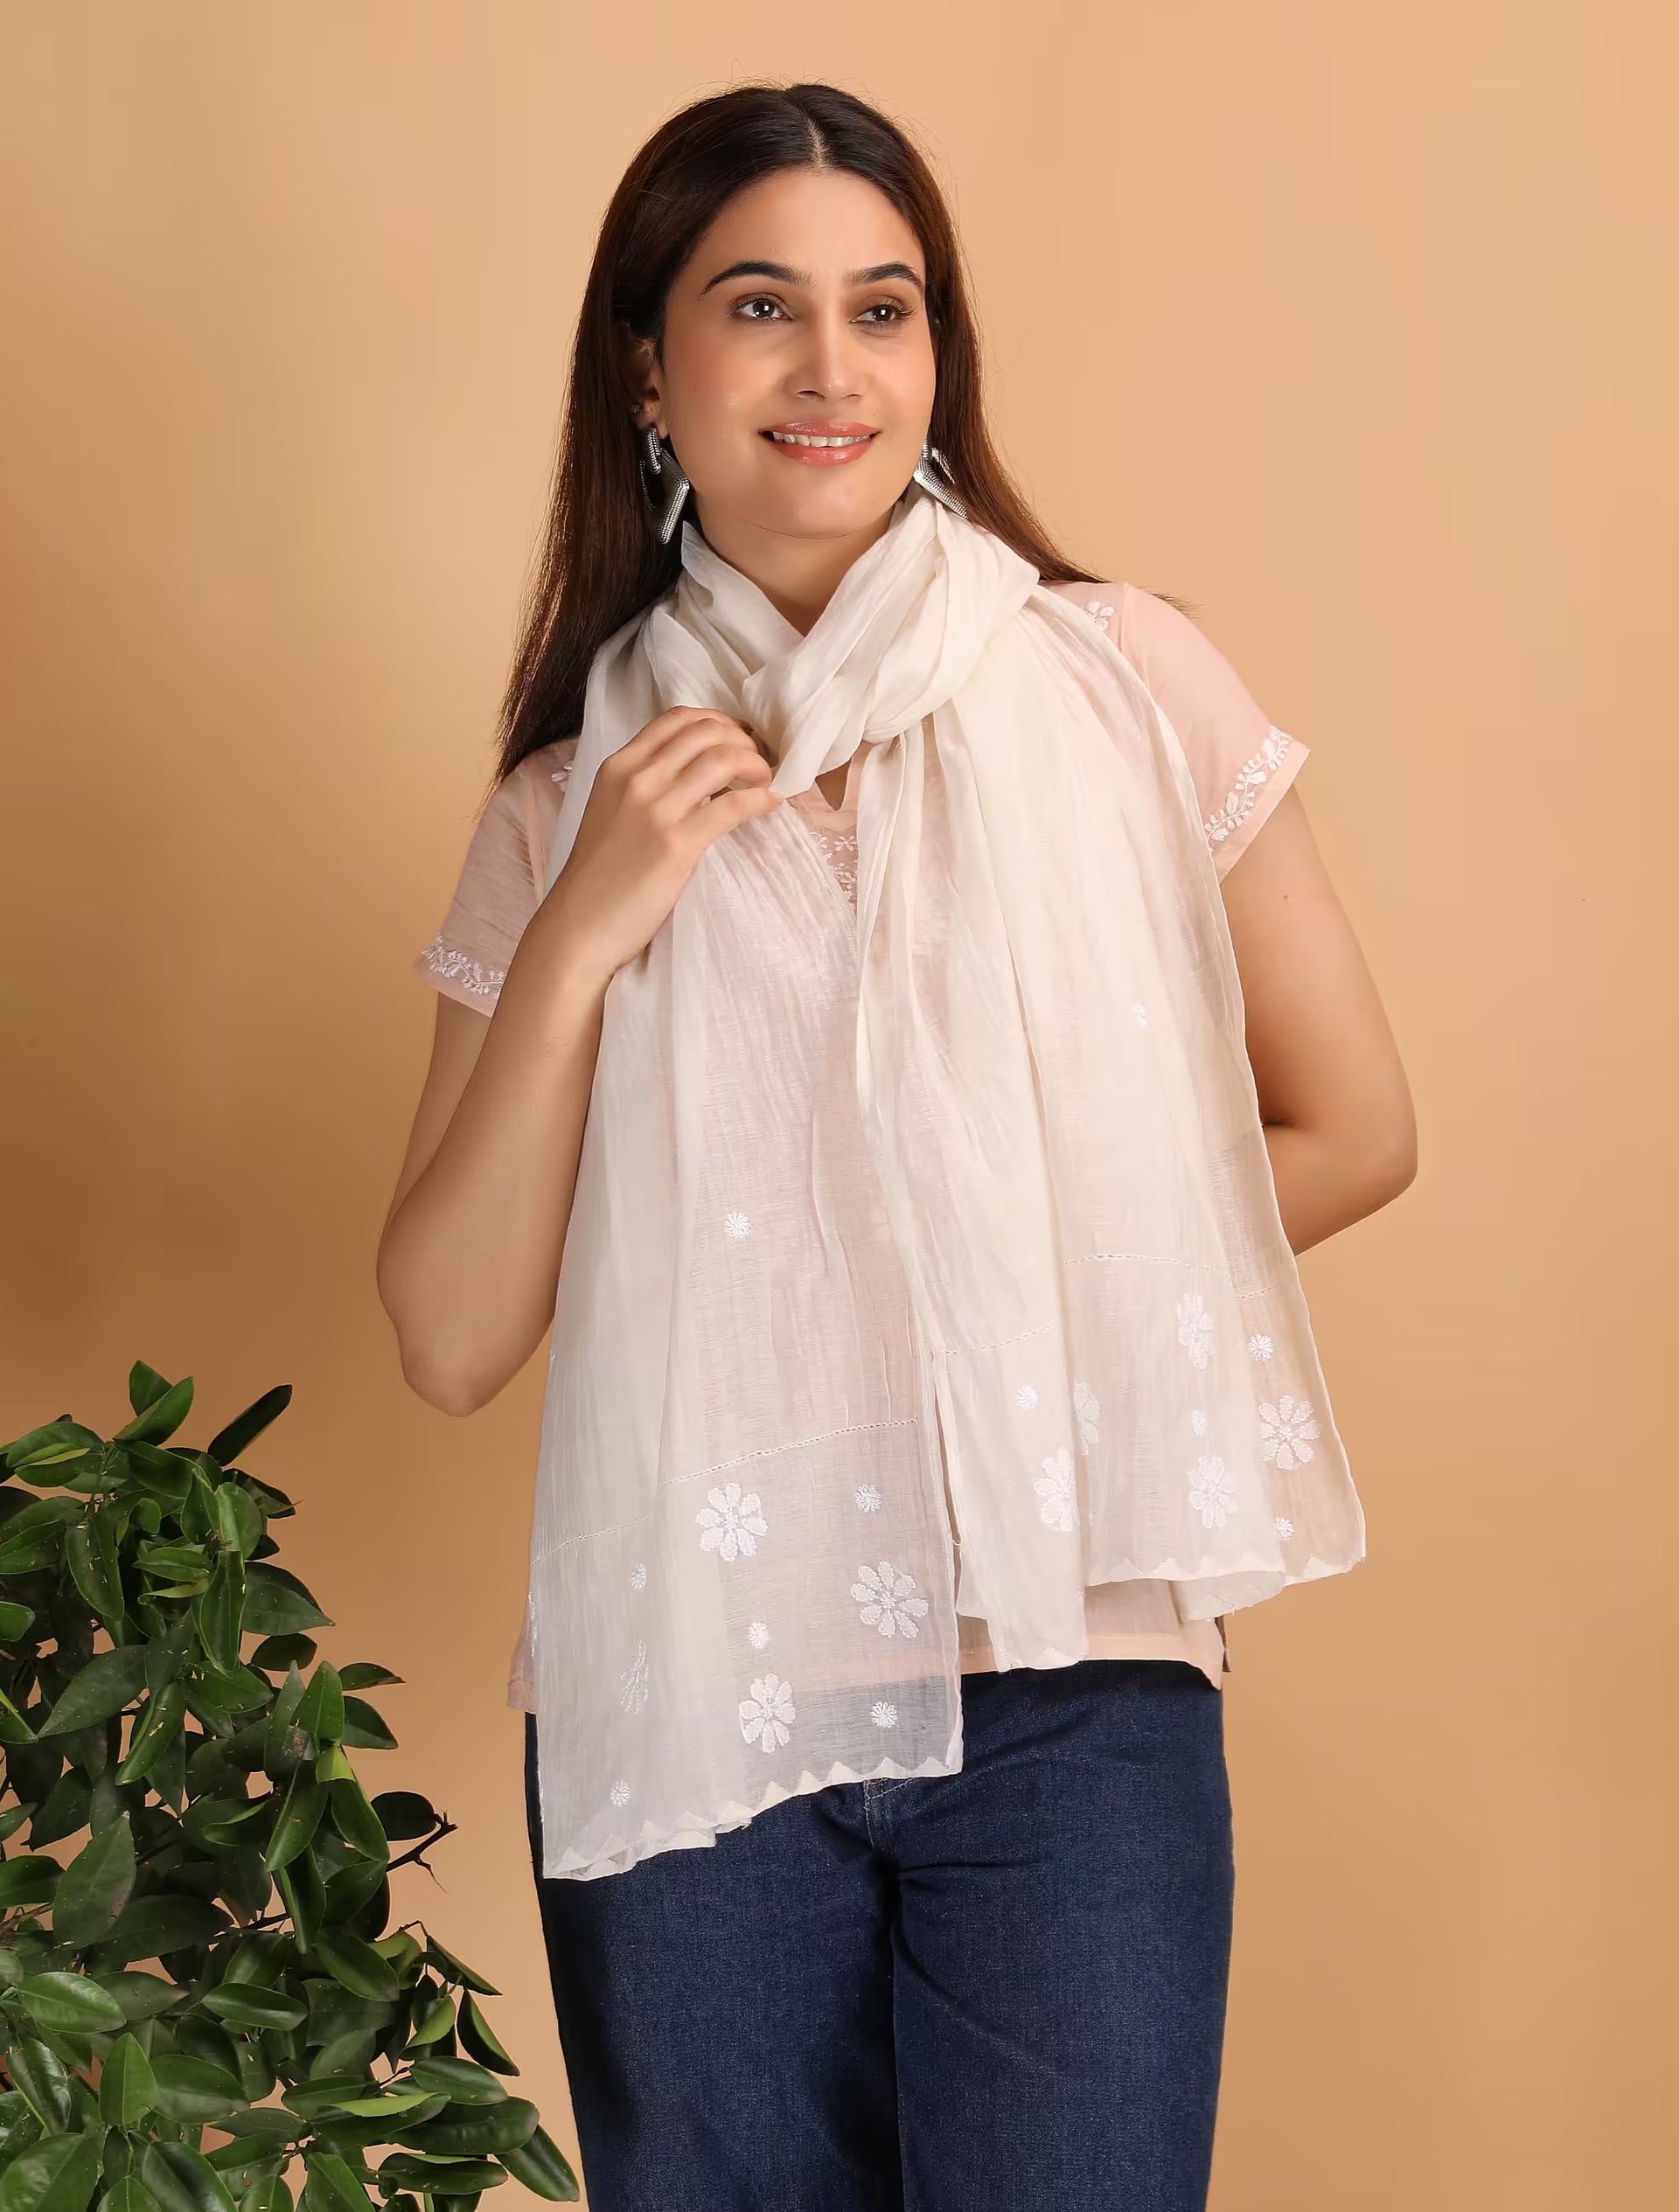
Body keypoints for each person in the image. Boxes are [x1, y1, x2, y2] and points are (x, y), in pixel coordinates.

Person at [378, 80, 1416, 2212]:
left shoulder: (1120, 685)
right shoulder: (566, 801)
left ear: (937, 364)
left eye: (886, 306)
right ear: (647, 371)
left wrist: (991, 1305)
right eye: (760, 305)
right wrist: (585, 926)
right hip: (688, 1685)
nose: (831, 367)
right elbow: (452, 1329)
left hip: (1072, 1683)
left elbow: (1352, 1119)